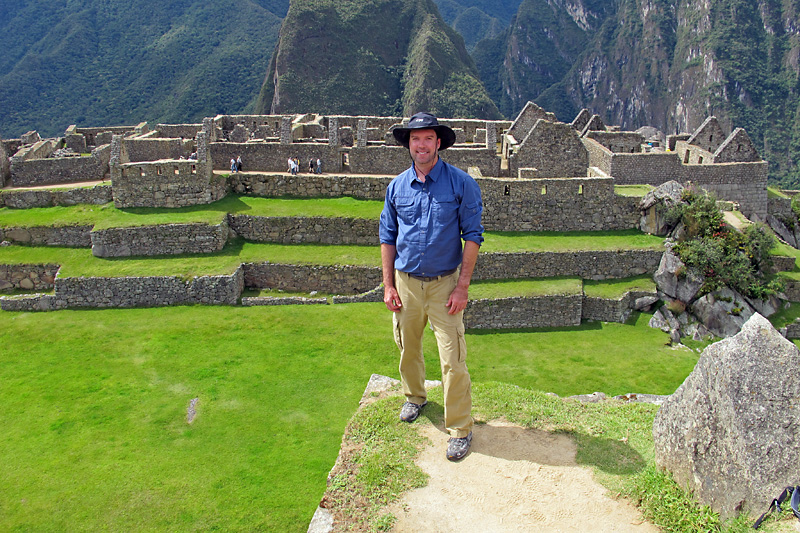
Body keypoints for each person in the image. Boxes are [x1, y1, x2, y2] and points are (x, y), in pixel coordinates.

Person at [379, 112, 484, 461]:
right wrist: (388, 284)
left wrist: (462, 287)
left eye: (427, 139)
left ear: (438, 142)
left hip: (444, 286)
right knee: (408, 347)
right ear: (408, 144)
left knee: (452, 358)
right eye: (414, 139)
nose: (420, 145)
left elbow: (473, 237)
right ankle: (414, 397)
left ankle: (459, 428)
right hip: (405, 283)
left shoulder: (460, 184)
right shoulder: (396, 187)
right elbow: (387, 237)